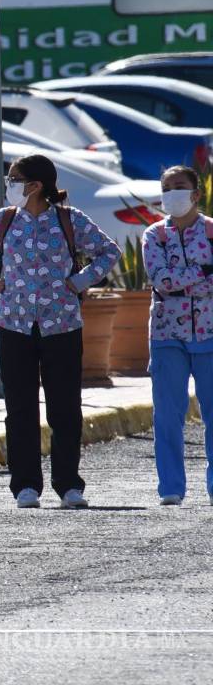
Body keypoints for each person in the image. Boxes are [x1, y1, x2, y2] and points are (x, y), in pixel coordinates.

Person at [0, 154, 119, 509]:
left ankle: (69, 485)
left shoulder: (70, 220)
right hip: (14, 325)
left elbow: (109, 252)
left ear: (35, 185)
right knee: (20, 407)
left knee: (65, 407)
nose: (9, 184)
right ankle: (25, 485)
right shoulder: (3, 220)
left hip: (62, 324)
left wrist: (78, 282)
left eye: (14, 178)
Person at [142, 165, 213, 506]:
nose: (172, 193)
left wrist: (180, 278)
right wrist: (201, 272)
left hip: (210, 334)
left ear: (196, 193)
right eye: (166, 188)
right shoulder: (154, 235)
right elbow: (160, 279)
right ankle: (170, 486)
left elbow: (173, 280)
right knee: (167, 414)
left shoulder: (212, 231)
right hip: (167, 333)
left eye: (179, 187)